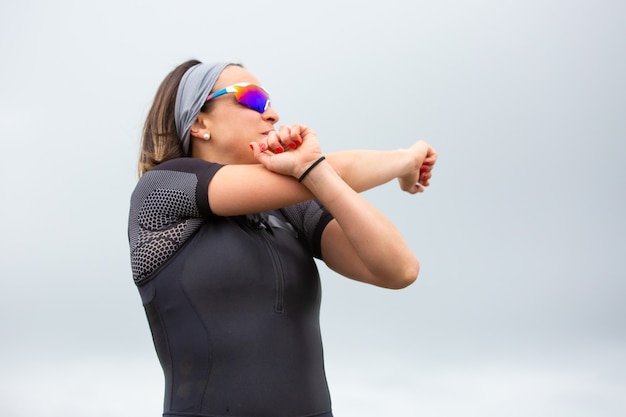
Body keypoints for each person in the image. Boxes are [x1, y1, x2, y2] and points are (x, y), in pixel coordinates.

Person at [128, 59, 437, 417]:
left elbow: (400, 269)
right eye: (253, 99)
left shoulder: (291, 212)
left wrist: (313, 171)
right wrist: (408, 158)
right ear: (199, 122)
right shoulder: (162, 189)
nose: (272, 114)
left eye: (270, 101)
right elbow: (343, 168)